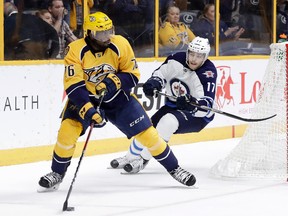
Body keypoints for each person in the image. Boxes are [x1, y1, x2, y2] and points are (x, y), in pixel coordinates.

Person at [38, 11, 196, 192]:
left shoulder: (120, 43)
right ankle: (57, 173)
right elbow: (73, 85)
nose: (106, 37)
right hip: (86, 98)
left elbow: (133, 75)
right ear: (89, 33)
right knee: (67, 132)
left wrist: (114, 82)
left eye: (109, 31)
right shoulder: (75, 49)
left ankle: (174, 168)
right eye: (101, 33)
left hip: (118, 98)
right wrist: (88, 109)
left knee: (149, 134)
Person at [110, 36, 217, 174]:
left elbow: (207, 103)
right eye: (192, 54)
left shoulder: (207, 72)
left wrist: (193, 104)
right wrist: (154, 82)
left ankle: (143, 159)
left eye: (199, 56)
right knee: (146, 127)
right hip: (173, 106)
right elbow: (161, 74)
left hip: (196, 115)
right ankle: (130, 157)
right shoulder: (176, 59)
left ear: (205, 57)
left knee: (167, 122)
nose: (194, 59)